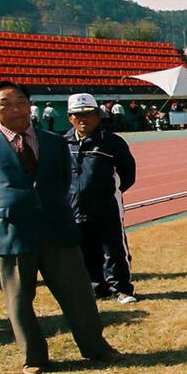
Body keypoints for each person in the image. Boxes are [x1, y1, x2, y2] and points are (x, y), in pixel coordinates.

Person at [0, 81, 124, 374]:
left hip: (57, 229)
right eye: (6, 103)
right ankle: (34, 357)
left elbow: (63, 182)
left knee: (78, 294)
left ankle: (96, 347)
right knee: (19, 301)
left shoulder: (53, 141)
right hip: (10, 233)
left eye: (21, 101)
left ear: (31, 105)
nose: (15, 109)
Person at [64, 93, 138, 305]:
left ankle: (121, 288)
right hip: (75, 207)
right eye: (77, 115)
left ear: (97, 115)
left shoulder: (112, 142)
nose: (82, 119)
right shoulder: (63, 143)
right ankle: (97, 287)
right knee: (86, 249)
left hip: (107, 206)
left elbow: (128, 174)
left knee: (113, 248)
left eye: (87, 114)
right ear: (70, 117)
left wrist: (109, 191)